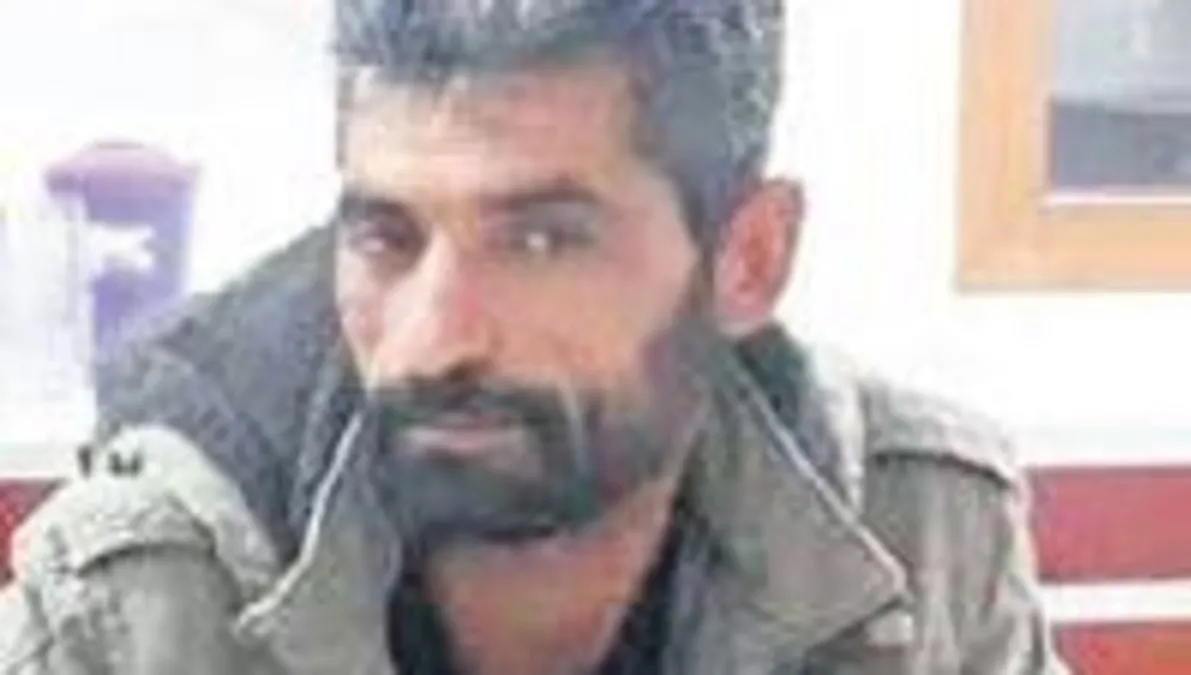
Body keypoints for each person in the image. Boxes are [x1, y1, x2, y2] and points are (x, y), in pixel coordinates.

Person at [0, 1, 1068, 673]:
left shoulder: (921, 535)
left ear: (748, 259)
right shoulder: (136, 606)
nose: (432, 341)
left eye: (542, 240)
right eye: (387, 238)